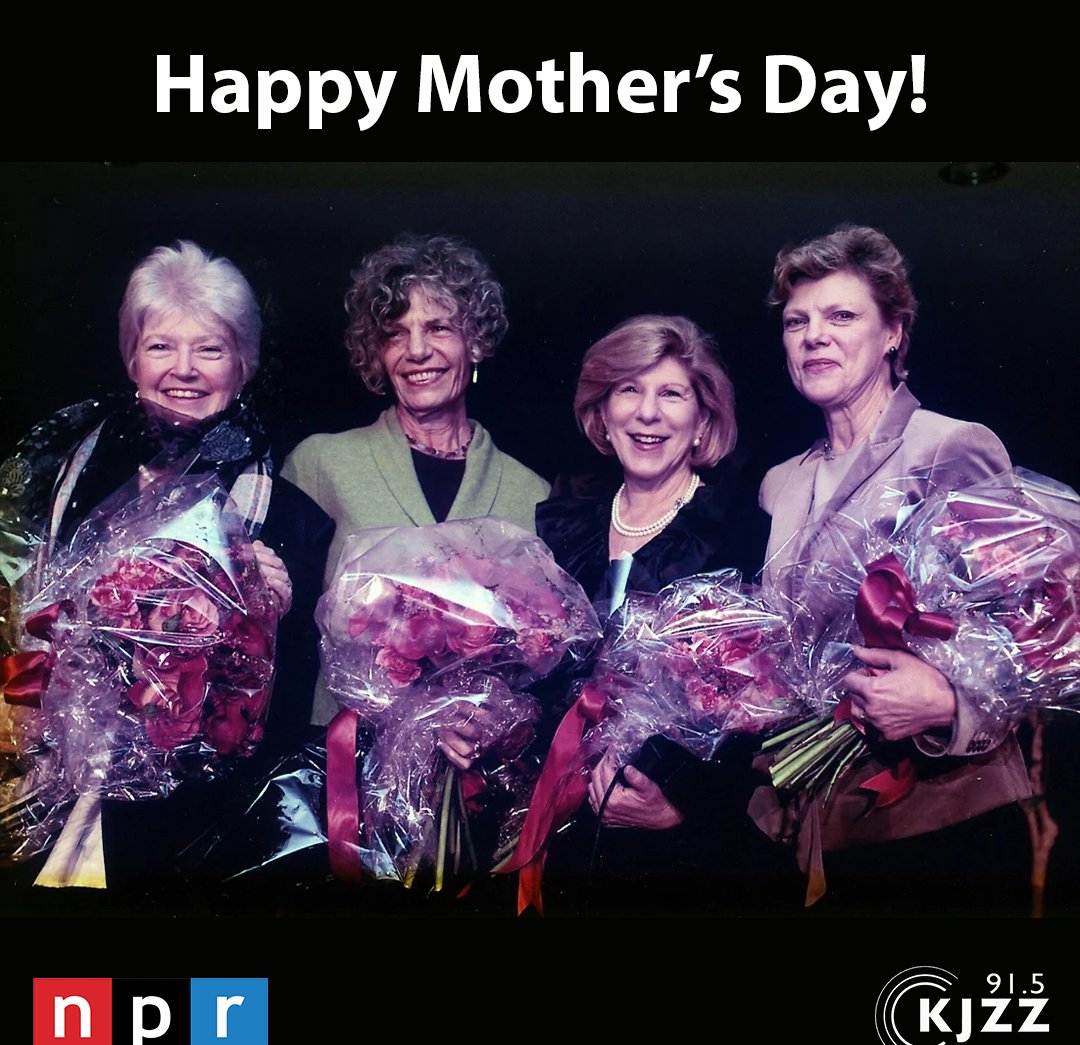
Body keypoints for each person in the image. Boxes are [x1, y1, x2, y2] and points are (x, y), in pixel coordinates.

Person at [0, 239, 332, 909]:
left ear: (243, 365)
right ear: (132, 359)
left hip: (203, 840)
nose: (183, 370)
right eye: (160, 346)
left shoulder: (295, 520)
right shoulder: (61, 486)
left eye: (209, 349)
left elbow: (287, 713)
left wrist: (274, 612)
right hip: (59, 811)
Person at [753, 223, 1031, 913]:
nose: (814, 335)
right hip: (814, 821)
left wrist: (949, 703)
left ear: (893, 334)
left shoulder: (950, 446)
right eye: (797, 321)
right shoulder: (779, 483)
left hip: (939, 822)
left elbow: (1033, 626)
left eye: (842, 315)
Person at [531, 314, 790, 914]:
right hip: (562, 844)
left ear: (703, 421)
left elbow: (767, 709)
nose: (648, 413)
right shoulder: (563, 523)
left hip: (682, 859)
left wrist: (683, 808)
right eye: (629, 390)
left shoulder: (740, 535)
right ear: (603, 412)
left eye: (671, 393)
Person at [282, 234, 550, 731]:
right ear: (376, 352)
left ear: (475, 341)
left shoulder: (532, 493)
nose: (418, 351)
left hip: (472, 780)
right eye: (395, 333)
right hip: (339, 770)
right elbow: (280, 639)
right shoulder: (322, 463)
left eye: (438, 327)